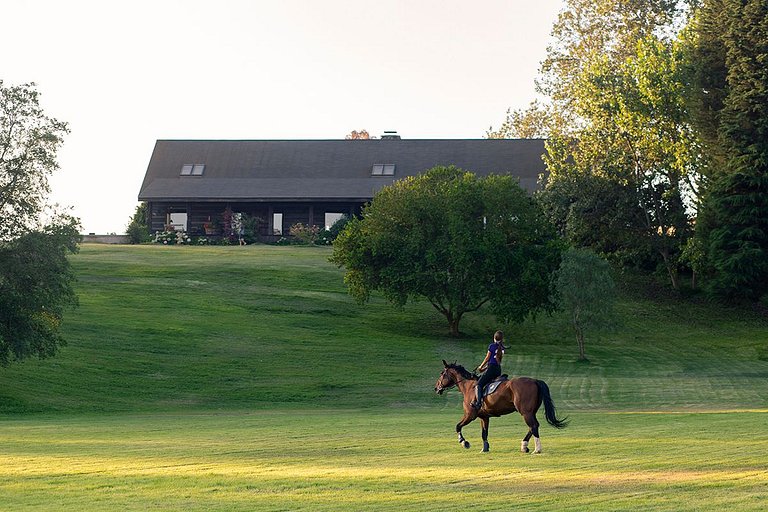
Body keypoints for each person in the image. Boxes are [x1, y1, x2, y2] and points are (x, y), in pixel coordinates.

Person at [471, 330, 505, 409]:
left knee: (478, 385)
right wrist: (486, 368)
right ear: (502, 339)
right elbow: (497, 361)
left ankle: (478, 403)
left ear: (494, 338)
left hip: (491, 369)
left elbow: (487, 358)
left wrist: (481, 366)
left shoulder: (492, 346)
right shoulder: (502, 348)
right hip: (498, 370)